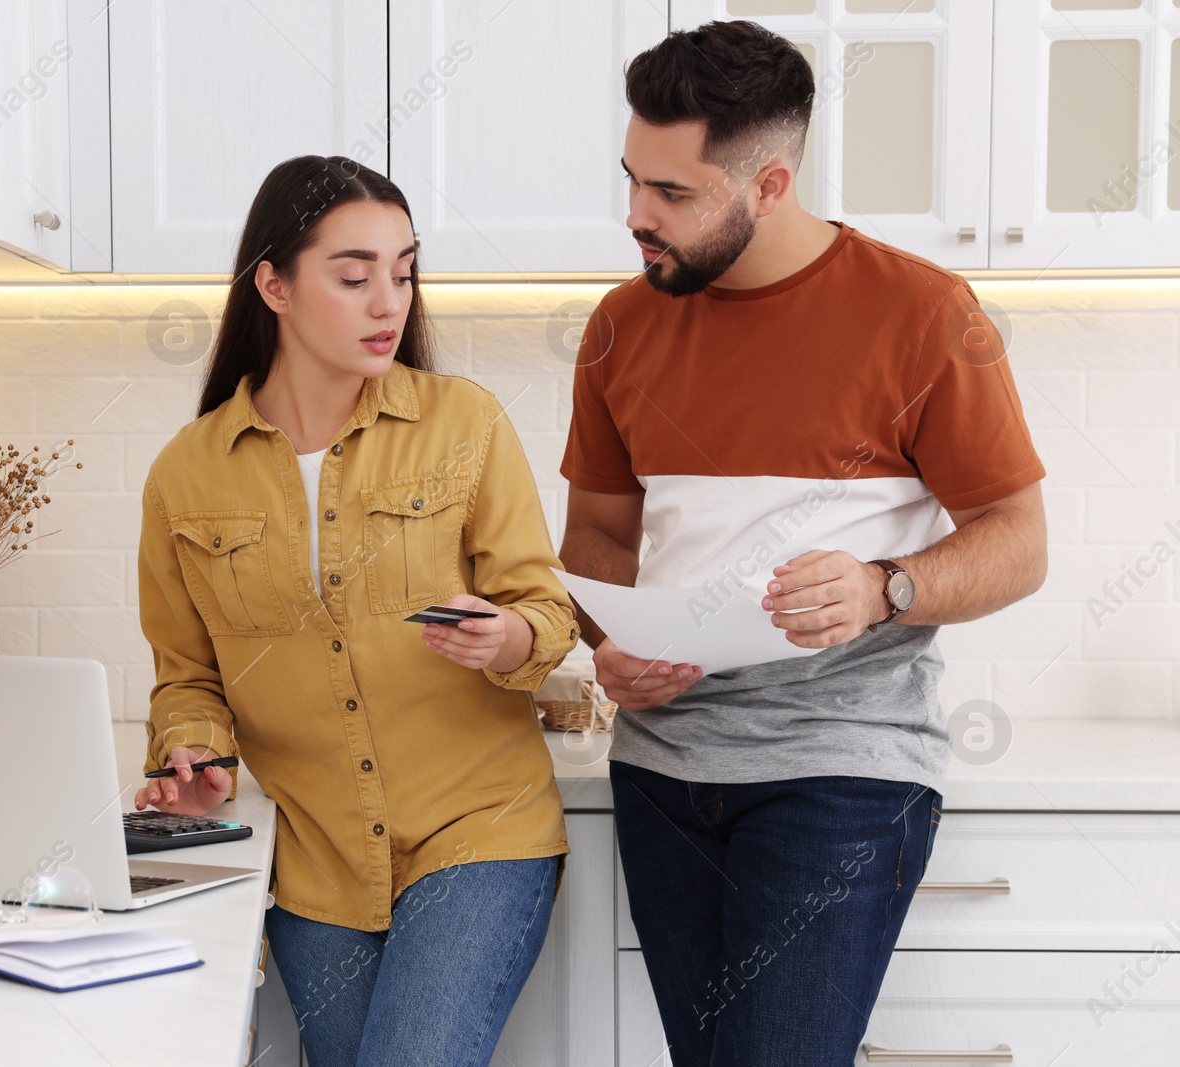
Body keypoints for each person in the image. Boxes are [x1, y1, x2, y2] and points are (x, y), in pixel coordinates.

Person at [558, 21, 1049, 1067]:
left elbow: (1017, 542)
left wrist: (887, 585)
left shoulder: (923, 314)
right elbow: (598, 535)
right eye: (633, 180)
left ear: (770, 183)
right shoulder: (617, 327)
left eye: (674, 193)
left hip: (841, 766)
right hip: (662, 765)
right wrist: (609, 636)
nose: (636, 216)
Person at [132, 154, 577, 1067]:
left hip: (479, 833)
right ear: (274, 284)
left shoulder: (466, 425)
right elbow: (188, 674)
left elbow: (546, 605)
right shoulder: (187, 472)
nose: (390, 302)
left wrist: (509, 637)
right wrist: (192, 753)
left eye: (405, 271)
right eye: (354, 275)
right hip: (315, 863)